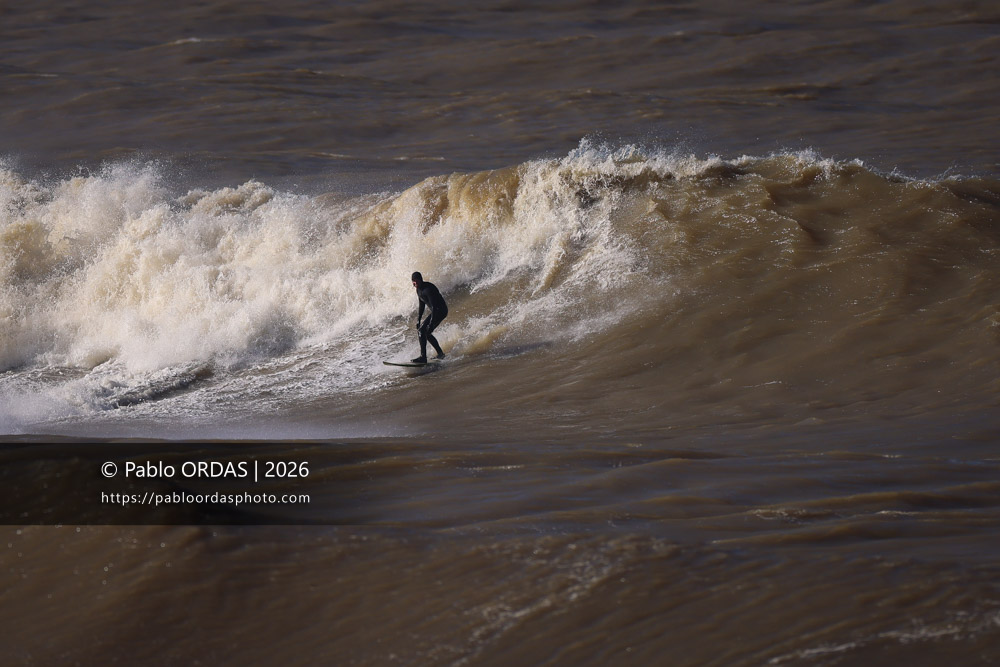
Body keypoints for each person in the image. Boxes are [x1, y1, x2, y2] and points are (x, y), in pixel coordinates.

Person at [411, 271, 448, 363]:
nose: (414, 283)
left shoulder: (428, 289)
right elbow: (422, 304)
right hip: (436, 311)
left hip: (441, 311)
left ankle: (423, 357)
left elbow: (435, 307)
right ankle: (440, 354)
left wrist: (431, 323)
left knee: (422, 331)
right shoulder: (418, 289)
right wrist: (418, 319)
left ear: (420, 280)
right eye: (413, 281)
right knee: (425, 332)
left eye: (416, 281)